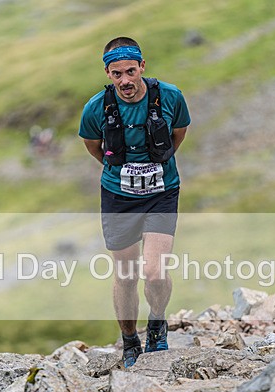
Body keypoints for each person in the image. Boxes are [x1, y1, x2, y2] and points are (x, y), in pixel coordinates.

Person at [79, 37, 190, 368]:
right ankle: (130, 342)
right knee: (126, 275)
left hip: (161, 192)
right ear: (108, 73)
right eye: (117, 74)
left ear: (142, 66)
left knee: (155, 272)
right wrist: (122, 170)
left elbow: (178, 134)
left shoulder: (170, 97)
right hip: (118, 197)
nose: (125, 81)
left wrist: (156, 163)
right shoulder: (96, 107)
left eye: (130, 71)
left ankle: (157, 321)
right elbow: (92, 145)